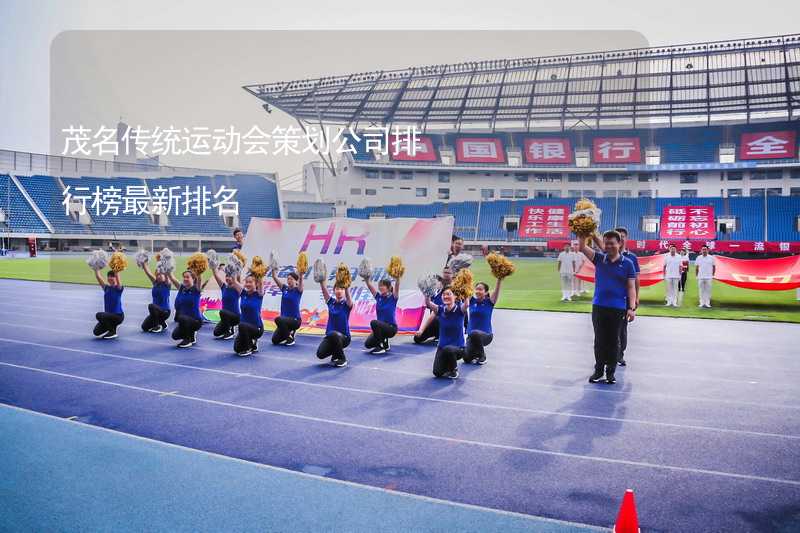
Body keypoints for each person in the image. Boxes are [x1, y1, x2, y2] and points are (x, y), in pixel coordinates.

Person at [578, 230, 636, 385]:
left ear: (619, 244)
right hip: (599, 307)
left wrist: (631, 307)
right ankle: (598, 370)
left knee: (614, 341)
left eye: (612, 243)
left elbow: (631, 287)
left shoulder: (628, 263)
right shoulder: (599, 259)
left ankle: (610, 372)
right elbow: (582, 247)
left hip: (618, 308)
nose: (609, 246)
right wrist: (581, 231)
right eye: (606, 243)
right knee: (599, 340)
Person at [422, 287, 467, 379]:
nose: (446, 296)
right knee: (437, 372)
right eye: (444, 295)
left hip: (458, 349)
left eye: (449, 294)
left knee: (448, 349)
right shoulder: (440, 309)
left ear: (455, 296)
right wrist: (427, 293)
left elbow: (466, 304)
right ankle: (447, 365)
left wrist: (466, 291)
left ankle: (454, 370)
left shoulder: (460, 309)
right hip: (442, 347)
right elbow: (428, 303)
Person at [611, 227, 639, 367]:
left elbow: (636, 281)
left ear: (626, 238)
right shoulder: (607, 255)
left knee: (622, 328)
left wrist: (636, 299)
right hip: (610, 299)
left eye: (623, 236)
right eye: (618, 236)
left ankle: (619, 354)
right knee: (608, 329)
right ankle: (609, 355)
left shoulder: (632, 258)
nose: (621, 238)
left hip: (626, 298)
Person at [316, 277, 353, 367]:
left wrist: (347, 287)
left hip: (344, 337)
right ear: (334, 290)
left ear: (344, 291)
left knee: (333, 334)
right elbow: (325, 292)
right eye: (337, 289)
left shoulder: (347, 304)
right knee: (320, 354)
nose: (339, 291)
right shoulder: (331, 302)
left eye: (341, 289)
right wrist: (321, 282)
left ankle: (342, 358)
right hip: (331, 336)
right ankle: (336, 353)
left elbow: (349, 299)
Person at [464, 279, 502, 365]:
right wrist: (465, 278)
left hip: (486, 336)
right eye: (476, 289)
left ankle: (482, 356)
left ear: (486, 292)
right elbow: (466, 289)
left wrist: (499, 279)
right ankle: (475, 353)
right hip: (471, 336)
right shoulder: (472, 301)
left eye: (480, 289)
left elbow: (497, 290)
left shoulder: (489, 302)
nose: (477, 291)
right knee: (466, 358)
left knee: (475, 333)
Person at [413, 266, 453, 344]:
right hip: (436, 321)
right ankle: (437, 334)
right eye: (445, 272)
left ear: (453, 274)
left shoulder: (452, 292)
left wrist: (422, 329)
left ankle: (446, 335)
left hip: (449, 322)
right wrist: (426, 293)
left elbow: (434, 313)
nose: (446, 274)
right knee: (417, 338)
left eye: (448, 273)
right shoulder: (436, 291)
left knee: (438, 319)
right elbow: (428, 306)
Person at [229, 273, 266, 356]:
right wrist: (234, 270)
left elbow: (260, 282)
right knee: (237, 349)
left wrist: (259, 272)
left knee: (241, 325)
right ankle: (253, 342)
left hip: (257, 328)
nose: (248, 284)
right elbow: (234, 281)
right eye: (246, 282)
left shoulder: (259, 294)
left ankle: (249, 348)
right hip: (244, 328)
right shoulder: (243, 293)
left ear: (255, 284)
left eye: (250, 282)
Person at [364, 276, 399, 355]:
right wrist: (367, 280)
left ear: (389, 287)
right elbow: (370, 287)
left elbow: (397, 287)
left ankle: (380, 347)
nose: (380, 287)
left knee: (374, 323)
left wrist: (398, 279)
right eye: (379, 285)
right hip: (381, 328)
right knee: (367, 344)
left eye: (382, 285)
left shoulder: (393, 297)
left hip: (391, 328)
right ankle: (385, 342)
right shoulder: (378, 297)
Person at [169, 270, 203, 348]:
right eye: (184, 277)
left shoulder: (196, 289)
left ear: (193, 279)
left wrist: (198, 269)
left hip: (196, 321)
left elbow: (199, 279)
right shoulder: (182, 288)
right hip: (184, 320)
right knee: (175, 336)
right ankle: (192, 334)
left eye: (187, 277)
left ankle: (188, 341)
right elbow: (172, 277)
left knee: (181, 318)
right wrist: (167, 269)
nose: (185, 279)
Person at [271, 268, 304, 346]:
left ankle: (289, 338)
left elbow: (301, 281)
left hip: (295, 320)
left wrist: (301, 275)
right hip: (284, 321)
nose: (289, 280)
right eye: (288, 279)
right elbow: (275, 278)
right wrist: (273, 272)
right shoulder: (284, 288)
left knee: (278, 319)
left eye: (291, 279)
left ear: (296, 281)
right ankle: (290, 332)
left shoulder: (298, 290)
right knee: (274, 340)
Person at [210, 264, 241, 340]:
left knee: (222, 312)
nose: (227, 278)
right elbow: (216, 275)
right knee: (216, 333)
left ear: (233, 278)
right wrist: (213, 266)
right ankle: (229, 327)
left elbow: (238, 278)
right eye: (226, 276)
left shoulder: (237, 288)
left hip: (235, 317)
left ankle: (230, 331)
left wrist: (237, 267)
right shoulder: (223, 286)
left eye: (229, 276)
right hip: (226, 317)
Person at [93, 269, 124, 339]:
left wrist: (116, 270)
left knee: (98, 315)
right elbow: (98, 277)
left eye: (112, 276)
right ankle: (112, 327)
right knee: (96, 332)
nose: (109, 278)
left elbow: (118, 278)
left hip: (118, 316)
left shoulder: (118, 288)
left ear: (115, 278)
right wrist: (96, 268)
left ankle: (113, 332)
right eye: (108, 276)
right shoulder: (106, 288)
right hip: (109, 317)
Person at [140, 262, 171, 333]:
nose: (159, 276)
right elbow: (148, 273)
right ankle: (163, 324)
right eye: (157, 275)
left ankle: (157, 326)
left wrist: (165, 265)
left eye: (161, 274)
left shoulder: (167, 284)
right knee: (144, 327)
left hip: (165, 311)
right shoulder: (155, 283)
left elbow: (167, 274)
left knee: (151, 306)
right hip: (155, 312)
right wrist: (144, 263)